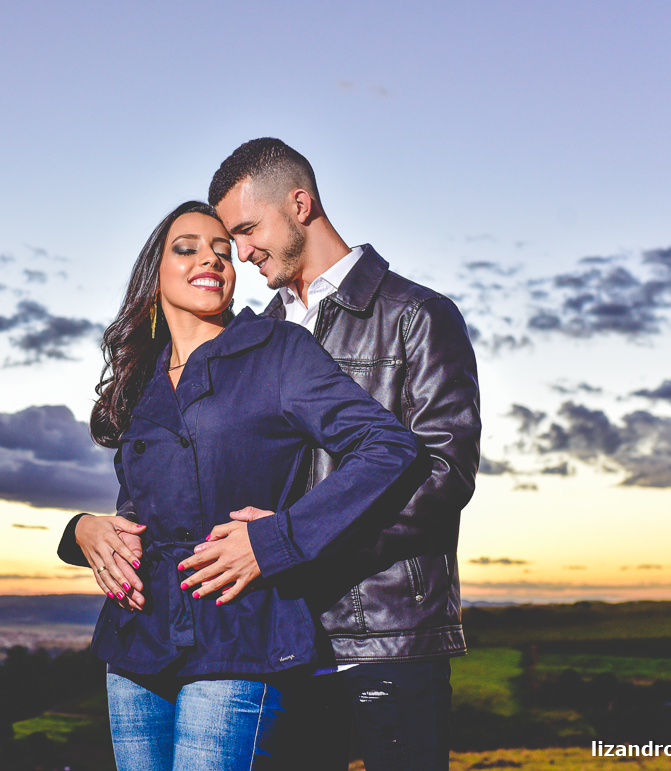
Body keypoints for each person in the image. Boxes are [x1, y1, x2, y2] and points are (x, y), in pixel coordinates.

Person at [57, 200, 417, 770]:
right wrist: (83, 530)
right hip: (137, 637)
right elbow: (138, 508)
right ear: (155, 270)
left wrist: (278, 540)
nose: (213, 259)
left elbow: (388, 447)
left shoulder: (278, 351)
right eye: (189, 248)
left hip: (239, 630)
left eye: (224, 251)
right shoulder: (138, 378)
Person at [182, 138, 483, 771]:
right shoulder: (257, 335)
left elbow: (444, 475)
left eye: (247, 229)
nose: (241, 252)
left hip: (389, 635)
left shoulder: (417, 316)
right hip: (283, 634)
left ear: (300, 204)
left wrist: (290, 541)